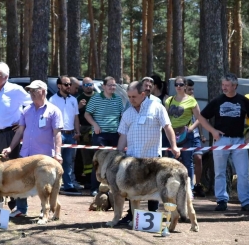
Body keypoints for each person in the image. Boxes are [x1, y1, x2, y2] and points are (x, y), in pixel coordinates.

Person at [114, 80, 181, 225]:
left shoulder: (157, 108)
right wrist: (117, 155)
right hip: (132, 161)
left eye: (134, 97)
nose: (131, 100)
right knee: (131, 189)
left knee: (154, 188)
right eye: (129, 97)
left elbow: (167, 127)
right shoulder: (127, 113)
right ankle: (132, 215)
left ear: (142, 94)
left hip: (152, 159)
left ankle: (152, 216)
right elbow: (123, 136)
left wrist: (174, 146)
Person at [200, 73, 249, 212]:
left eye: (227, 85)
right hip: (221, 140)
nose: (224, 88)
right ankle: (221, 200)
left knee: (243, 172)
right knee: (220, 172)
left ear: (235, 86)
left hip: (239, 141)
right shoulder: (217, 101)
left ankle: (245, 202)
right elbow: (201, 117)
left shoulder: (243, 100)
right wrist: (213, 131)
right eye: (223, 85)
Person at [2, 80, 63, 218]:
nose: (32, 93)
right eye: (30, 91)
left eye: (35, 90)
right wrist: (10, 148)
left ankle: (45, 211)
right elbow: (19, 132)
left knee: (45, 185)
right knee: (21, 181)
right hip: (26, 155)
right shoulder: (27, 110)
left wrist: (58, 153)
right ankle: (21, 209)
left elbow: (57, 134)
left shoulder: (53, 111)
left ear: (43, 91)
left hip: (44, 157)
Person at [163, 76, 208, 191]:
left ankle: (190, 188)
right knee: (172, 162)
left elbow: (199, 117)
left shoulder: (191, 100)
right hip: (172, 135)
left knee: (188, 161)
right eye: (176, 85)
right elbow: (165, 118)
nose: (178, 87)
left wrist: (191, 129)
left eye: (181, 85)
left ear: (185, 86)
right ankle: (174, 188)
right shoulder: (169, 100)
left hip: (187, 135)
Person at [85, 76, 125, 196]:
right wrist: (95, 125)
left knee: (115, 162)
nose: (112, 87)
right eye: (110, 85)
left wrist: (121, 129)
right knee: (99, 162)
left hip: (115, 134)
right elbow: (87, 114)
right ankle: (94, 188)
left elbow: (121, 116)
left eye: (114, 85)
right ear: (103, 86)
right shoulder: (95, 98)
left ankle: (113, 188)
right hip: (100, 134)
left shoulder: (118, 99)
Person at [49, 75, 81, 195]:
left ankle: (68, 185)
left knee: (69, 161)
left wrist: (77, 132)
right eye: (66, 84)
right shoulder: (52, 100)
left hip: (71, 134)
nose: (69, 86)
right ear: (59, 86)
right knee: (56, 161)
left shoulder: (73, 99)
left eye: (69, 84)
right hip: (58, 134)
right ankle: (54, 185)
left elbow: (76, 117)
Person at [185, 79, 207, 197]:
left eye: (193, 89)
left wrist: (202, 134)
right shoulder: (179, 101)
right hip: (184, 136)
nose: (191, 91)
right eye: (189, 89)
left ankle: (197, 184)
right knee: (187, 162)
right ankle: (189, 186)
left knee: (198, 158)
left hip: (196, 136)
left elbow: (200, 118)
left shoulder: (194, 101)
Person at [76, 76, 97, 187]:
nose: (88, 87)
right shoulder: (79, 98)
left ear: (93, 85)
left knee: (97, 155)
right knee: (86, 157)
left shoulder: (98, 97)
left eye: (90, 85)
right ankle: (88, 180)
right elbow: (74, 116)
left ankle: (97, 180)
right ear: (82, 87)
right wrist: (78, 107)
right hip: (84, 129)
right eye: (86, 85)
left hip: (97, 129)